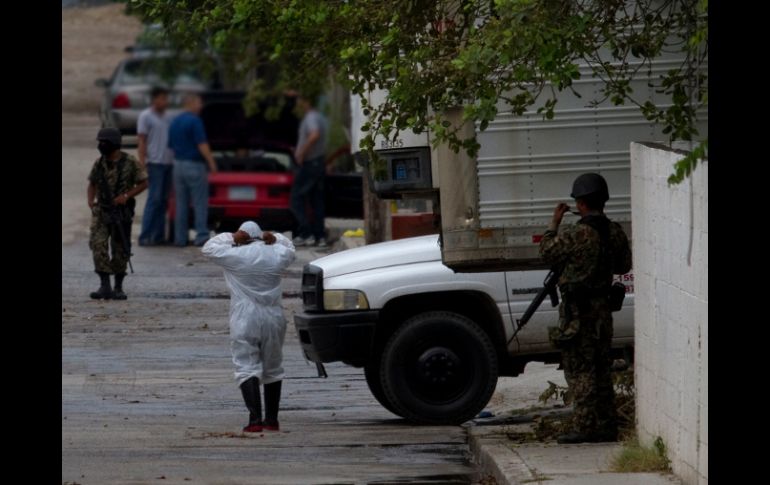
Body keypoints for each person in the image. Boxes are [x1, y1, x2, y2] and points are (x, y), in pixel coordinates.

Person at [539, 172, 632, 444]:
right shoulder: (614, 232)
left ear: (580, 204)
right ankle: (606, 425)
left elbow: (546, 251)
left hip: (578, 313)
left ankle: (585, 427)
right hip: (603, 311)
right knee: (601, 368)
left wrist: (554, 223)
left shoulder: (577, 233)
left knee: (580, 370)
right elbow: (624, 265)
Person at [201, 221, 296, 432]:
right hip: (273, 315)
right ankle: (272, 420)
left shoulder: (234, 255)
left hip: (245, 315)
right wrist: (275, 237)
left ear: (242, 236)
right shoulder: (277, 253)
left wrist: (231, 236)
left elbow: (208, 247)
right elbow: (290, 247)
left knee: (245, 366)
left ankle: (254, 420)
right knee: (273, 367)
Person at [86, 128, 148, 300]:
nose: (101, 145)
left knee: (120, 247)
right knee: (98, 245)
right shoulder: (100, 163)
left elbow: (144, 183)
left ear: (114, 144)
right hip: (102, 210)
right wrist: (91, 201)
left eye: (104, 142)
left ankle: (118, 286)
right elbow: (92, 183)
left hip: (121, 212)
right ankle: (104, 284)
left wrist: (126, 196)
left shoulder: (130, 162)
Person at [168, 93, 218, 247]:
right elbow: (202, 144)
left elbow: (170, 145)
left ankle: (180, 238)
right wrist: (211, 162)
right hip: (194, 165)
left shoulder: (175, 121)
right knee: (199, 202)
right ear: (190, 103)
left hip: (178, 165)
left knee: (181, 203)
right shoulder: (195, 121)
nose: (201, 106)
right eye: (198, 103)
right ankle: (201, 235)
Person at [291, 94, 329, 248]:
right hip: (318, 162)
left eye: (299, 101)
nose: (298, 104)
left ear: (306, 101)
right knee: (316, 201)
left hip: (310, 163)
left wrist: (301, 152)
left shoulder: (311, 117)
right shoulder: (319, 117)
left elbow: (314, 134)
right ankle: (319, 236)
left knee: (296, 198)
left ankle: (306, 233)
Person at [137, 86, 174, 246]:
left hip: (169, 163)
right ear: (154, 99)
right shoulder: (146, 116)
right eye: (162, 98)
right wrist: (142, 162)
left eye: (166, 98)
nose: (165, 102)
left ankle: (158, 236)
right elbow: (142, 140)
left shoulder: (168, 117)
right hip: (155, 163)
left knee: (163, 200)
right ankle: (145, 235)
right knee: (154, 199)